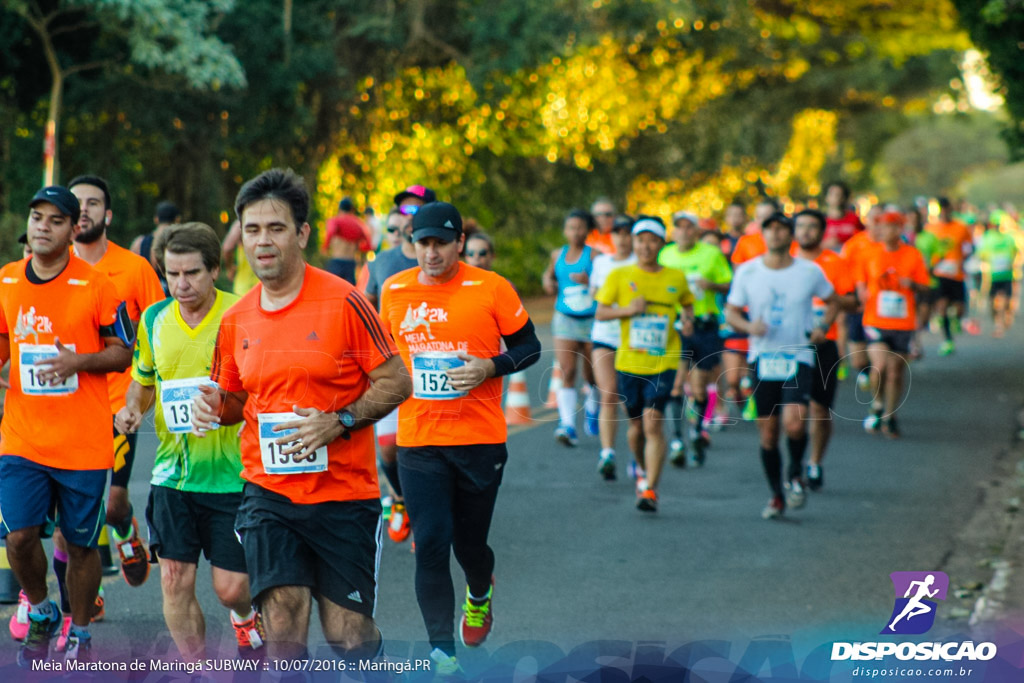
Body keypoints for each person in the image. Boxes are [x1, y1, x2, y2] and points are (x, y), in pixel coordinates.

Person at [191, 168, 412, 664]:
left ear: (303, 234)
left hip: (343, 495)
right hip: (269, 494)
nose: (263, 241)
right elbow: (231, 405)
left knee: (349, 637)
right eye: (252, 230)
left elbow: (398, 381)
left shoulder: (344, 302)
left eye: (276, 228)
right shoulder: (236, 320)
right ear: (241, 237)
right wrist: (215, 407)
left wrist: (339, 422)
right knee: (285, 627)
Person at [379, 201, 541, 675]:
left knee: (469, 546)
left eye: (440, 244)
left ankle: (479, 590)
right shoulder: (394, 290)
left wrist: (490, 367)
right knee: (430, 542)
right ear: (412, 245)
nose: (430, 253)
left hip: (479, 439)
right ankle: (441, 650)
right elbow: (380, 354)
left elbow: (529, 346)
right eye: (422, 243)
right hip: (419, 439)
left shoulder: (490, 287)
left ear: (459, 244)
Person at [114, 222, 264, 661]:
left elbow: (263, 388)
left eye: (191, 274)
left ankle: (244, 618)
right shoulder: (155, 319)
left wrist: (229, 406)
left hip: (234, 477)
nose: (180, 284)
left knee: (230, 588)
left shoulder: (242, 314)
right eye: (172, 274)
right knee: (174, 578)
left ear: (214, 269)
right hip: (173, 477)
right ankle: (198, 669)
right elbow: (142, 382)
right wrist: (131, 410)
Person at [0, 186, 132, 666]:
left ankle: (80, 631)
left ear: (73, 229)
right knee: (18, 537)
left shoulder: (97, 285)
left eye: (56, 220)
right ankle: (39, 610)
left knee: (80, 546)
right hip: (22, 437)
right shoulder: (7, 281)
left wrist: (79, 361)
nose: (42, 226)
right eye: (37, 217)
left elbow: (124, 351)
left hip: (81, 442)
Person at [67, 176, 165, 594]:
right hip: (66, 406)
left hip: (120, 402)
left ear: (107, 215)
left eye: (93, 203)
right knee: (72, 511)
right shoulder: (49, 270)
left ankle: (125, 530)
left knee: (112, 504)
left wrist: (157, 388)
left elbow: (162, 325)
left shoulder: (134, 268)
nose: (84, 210)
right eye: (77, 204)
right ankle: (89, 595)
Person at [725, 212, 839, 519]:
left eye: (781, 229)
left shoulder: (808, 271)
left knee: (795, 422)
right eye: (770, 229)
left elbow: (833, 301)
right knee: (768, 433)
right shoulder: (748, 272)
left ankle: (795, 473)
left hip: (798, 355)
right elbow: (731, 312)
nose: (775, 234)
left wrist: (822, 327)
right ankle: (776, 494)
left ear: (790, 236)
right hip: (762, 358)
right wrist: (749, 328)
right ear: (762, 234)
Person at [595, 216, 695, 513]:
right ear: (635, 244)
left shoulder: (675, 277)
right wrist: (629, 309)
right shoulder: (619, 275)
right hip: (629, 360)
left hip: (663, 361)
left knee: (653, 423)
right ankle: (640, 467)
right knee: (636, 427)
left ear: (662, 244)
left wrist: (687, 320)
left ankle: (650, 488)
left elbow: (687, 304)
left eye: (652, 240)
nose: (645, 246)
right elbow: (600, 313)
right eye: (641, 240)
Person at [364, 186, 437, 547]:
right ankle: (401, 498)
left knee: (428, 449)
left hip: (433, 367)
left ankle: (426, 514)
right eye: (402, 214)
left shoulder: (438, 259)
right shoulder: (382, 262)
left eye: (415, 212)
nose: (407, 221)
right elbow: (365, 308)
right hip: (393, 368)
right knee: (390, 447)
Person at [659, 210, 732, 467]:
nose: (685, 231)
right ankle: (678, 439)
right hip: (675, 327)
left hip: (704, 325)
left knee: (700, 387)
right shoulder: (665, 255)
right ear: (674, 231)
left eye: (690, 227)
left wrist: (711, 285)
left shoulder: (711, 254)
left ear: (697, 231)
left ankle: (697, 431)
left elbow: (729, 284)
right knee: (677, 385)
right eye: (679, 227)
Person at [793, 209, 856, 491]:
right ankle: (794, 463)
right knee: (792, 409)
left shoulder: (834, 262)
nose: (806, 231)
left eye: (812, 226)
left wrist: (828, 304)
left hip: (823, 342)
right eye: (801, 226)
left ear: (822, 231)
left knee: (820, 409)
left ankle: (815, 462)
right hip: (788, 344)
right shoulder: (785, 261)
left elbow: (853, 300)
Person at [858, 211, 932, 438]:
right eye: (879, 226)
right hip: (875, 321)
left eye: (889, 226)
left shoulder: (912, 255)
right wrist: (863, 292)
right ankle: (877, 403)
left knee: (895, 373)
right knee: (878, 367)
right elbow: (860, 284)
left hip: (902, 323)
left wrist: (912, 284)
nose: (883, 231)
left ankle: (890, 417)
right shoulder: (869, 254)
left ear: (899, 230)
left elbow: (925, 287)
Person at [542, 209, 599, 446]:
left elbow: (605, 285)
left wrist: (590, 282)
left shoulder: (595, 256)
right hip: (564, 317)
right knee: (567, 370)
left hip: (590, 319)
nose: (575, 232)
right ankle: (567, 425)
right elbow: (549, 277)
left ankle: (593, 408)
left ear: (588, 230)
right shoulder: (558, 255)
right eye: (571, 227)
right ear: (565, 230)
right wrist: (548, 283)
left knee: (590, 373)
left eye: (580, 227)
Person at [588, 214, 636, 479]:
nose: (623, 238)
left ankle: (635, 454)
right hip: (604, 335)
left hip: (633, 339)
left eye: (627, 232)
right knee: (609, 393)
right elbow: (595, 295)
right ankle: (607, 453)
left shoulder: (641, 264)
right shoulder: (602, 263)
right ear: (612, 236)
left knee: (631, 401)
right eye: (617, 233)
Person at [926, 197, 974, 356]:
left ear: (951, 209)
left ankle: (956, 321)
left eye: (947, 209)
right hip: (939, 274)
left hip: (956, 274)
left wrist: (964, 258)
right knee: (942, 306)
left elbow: (969, 247)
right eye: (942, 209)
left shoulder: (961, 227)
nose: (944, 212)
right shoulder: (930, 228)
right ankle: (947, 340)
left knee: (959, 309)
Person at [977, 218, 1018, 337]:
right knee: (992, 302)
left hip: (1007, 274)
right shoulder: (987, 238)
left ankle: (1003, 320)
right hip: (992, 276)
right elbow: (981, 254)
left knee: (1006, 301)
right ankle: (997, 322)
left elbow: (1015, 251)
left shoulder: (1009, 238)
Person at [131, 200, 182, 293]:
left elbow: (130, 275)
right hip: (171, 299)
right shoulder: (180, 243)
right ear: (177, 220)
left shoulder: (139, 243)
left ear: (156, 219)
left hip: (146, 298)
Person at [323, 197, 372, 284]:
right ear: (352, 209)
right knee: (350, 291)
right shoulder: (359, 223)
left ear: (339, 209)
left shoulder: (335, 221)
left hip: (337, 261)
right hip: (351, 262)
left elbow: (330, 232)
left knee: (333, 289)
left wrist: (325, 247)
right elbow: (368, 245)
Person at [822, 181, 864, 250]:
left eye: (840, 195)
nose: (837, 198)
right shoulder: (821, 220)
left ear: (845, 198)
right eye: (832, 194)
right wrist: (824, 244)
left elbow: (864, 238)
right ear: (826, 198)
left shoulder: (854, 219)